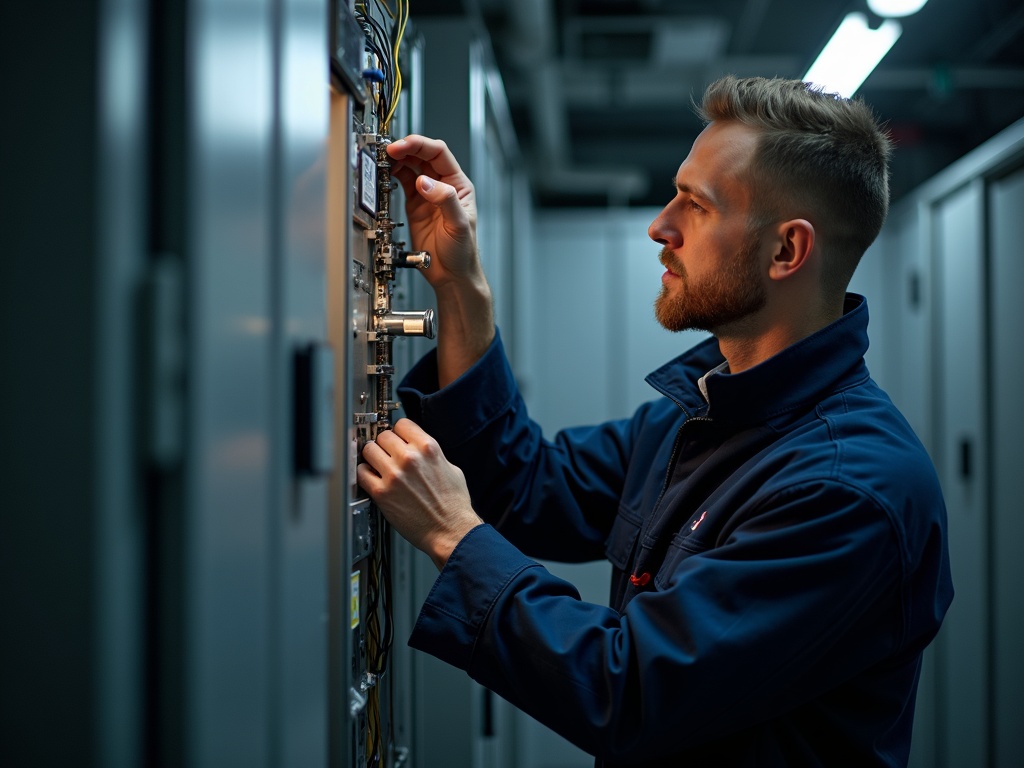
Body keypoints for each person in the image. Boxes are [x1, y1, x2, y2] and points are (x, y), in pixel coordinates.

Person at [357, 75, 953, 767]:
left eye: (695, 206)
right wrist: (460, 280)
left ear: (787, 250)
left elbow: (633, 689)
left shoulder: (848, 491)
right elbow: (525, 485)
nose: (659, 225)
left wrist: (454, 537)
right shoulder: (699, 414)